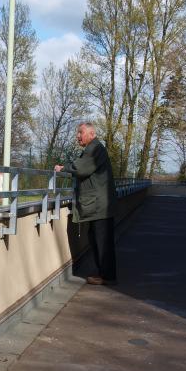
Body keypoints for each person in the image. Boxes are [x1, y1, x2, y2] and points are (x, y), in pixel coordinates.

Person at [55, 122, 117, 285]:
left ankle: (107, 277)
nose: (78, 135)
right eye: (78, 132)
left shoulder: (94, 149)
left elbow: (81, 168)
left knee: (101, 241)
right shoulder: (95, 148)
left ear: (91, 133)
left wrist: (63, 169)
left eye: (80, 132)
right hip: (100, 205)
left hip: (99, 205)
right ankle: (104, 274)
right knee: (98, 240)